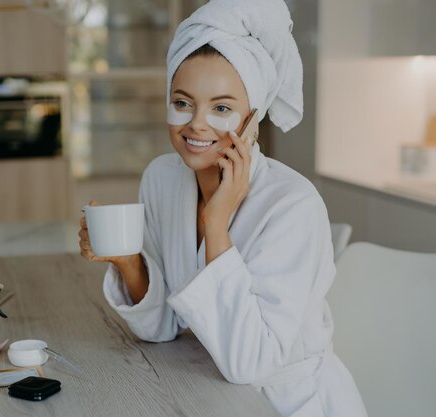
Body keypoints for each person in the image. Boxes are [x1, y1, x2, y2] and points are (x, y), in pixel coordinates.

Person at [78, 0, 367, 416]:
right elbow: (164, 328)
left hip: (286, 403)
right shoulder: (162, 179)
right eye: (182, 103)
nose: (197, 124)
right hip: (201, 390)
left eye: (222, 109)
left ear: (253, 119)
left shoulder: (293, 205)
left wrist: (216, 225)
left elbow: (250, 364)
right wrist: (129, 263)